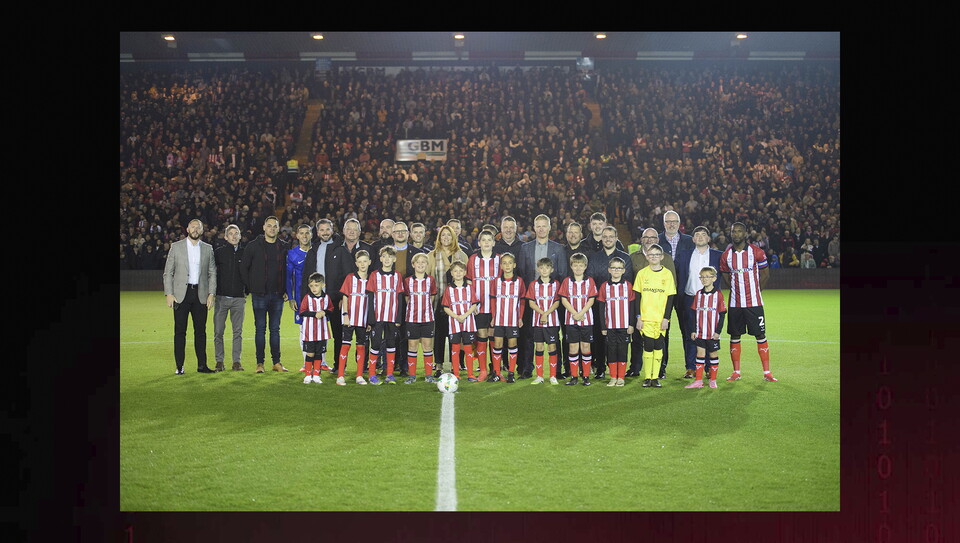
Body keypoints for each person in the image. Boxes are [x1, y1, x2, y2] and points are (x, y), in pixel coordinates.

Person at [719, 222, 778, 382]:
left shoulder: (756, 252)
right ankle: (736, 372)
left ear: (745, 234)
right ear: (730, 234)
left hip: (754, 303)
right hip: (735, 304)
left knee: (760, 334)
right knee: (735, 335)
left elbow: (765, 275)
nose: (736, 234)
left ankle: (767, 373)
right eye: (733, 231)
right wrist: (736, 290)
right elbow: (725, 276)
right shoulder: (726, 256)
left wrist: (757, 292)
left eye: (739, 231)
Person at [163, 218, 217, 374]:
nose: (195, 230)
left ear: (201, 231)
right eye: (193, 227)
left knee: (201, 332)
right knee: (180, 331)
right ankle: (179, 367)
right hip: (181, 296)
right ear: (187, 229)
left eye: (198, 227)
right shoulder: (176, 247)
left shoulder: (208, 249)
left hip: (200, 295)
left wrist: (211, 293)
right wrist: (169, 293)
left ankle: (202, 366)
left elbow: (212, 273)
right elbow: (168, 272)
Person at [517, 214, 569, 378]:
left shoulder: (558, 248)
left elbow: (562, 274)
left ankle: (558, 370)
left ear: (549, 228)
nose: (541, 229)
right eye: (537, 226)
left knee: (556, 336)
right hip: (532, 299)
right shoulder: (525, 248)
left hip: (553, 300)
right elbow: (523, 273)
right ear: (534, 228)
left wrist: (557, 297)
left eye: (543, 226)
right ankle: (527, 368)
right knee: (529, 336)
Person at [239, 215, 290, 373]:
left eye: (275, 226)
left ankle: (276, 362)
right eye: (269, 226)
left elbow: (289, 270)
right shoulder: (253, 246)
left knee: (275, 329)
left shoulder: (284, 246)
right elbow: (244, 268)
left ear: (278, 228)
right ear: (264, 227)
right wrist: (252, 286)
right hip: (259, 294)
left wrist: (288, 289)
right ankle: (259, 363)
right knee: (260, 329)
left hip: (277, 295)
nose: (272, 229)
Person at [628, 228, 677, 378]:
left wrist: (666, 316)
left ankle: (660, 370)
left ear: (658, 239)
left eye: (653, 237)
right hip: (642, 309)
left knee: (661, 340)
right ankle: (635, 368)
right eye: (646, 237)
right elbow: (634, 287)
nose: (649, 240)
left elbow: (672, 285)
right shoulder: (632, 257)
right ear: (641, 239)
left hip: (660, 311)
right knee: (637, 339)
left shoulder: (667, 259)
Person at [674, 226, 722, 379]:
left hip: (711, 301)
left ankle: (708, 368)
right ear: (693, 239)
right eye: (697, 235)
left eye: (703, 235)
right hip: (689, 299)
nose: (700, 237)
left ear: (708, 238)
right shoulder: (683, 255)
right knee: (690, 334)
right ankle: (691, 367)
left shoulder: (718, 256)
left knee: (708, 335)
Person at [586, 225, 633, 380]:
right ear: (601, 238)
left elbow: (628, 282)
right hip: (600, 304)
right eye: (605, 236)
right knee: (600, 337)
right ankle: (600, 367)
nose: (607, 239)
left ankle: (620, 371)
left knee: (620, 340)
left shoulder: (625, 257)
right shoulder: (594, 257)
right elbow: (591, 281)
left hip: (620, 307)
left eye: (611, 236)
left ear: (616, 237)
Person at [300, 219, 344, 372]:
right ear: (317, 233)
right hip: (315, 300)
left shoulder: (340, 249)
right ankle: (314, 366)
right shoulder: (313, 250)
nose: (325, 232)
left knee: (338, 334)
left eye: (327, 229)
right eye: (322, 230)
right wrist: (303, 299)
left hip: (335, 299)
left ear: (332, 230)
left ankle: (339, 366)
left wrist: (344, 297)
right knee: (315, 334)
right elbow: (306, 275)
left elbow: (347, 275)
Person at [427, 225, 469, 377]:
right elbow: (427, 279)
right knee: (438, 335)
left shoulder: (462, 256)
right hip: (438, 303)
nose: (446, 238)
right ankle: (438, 365)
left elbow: (468, 280)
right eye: (443, 235)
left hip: (458, 305)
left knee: (455, 335)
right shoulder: (431, 255)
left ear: (453, 237)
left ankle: (454, 364)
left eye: (448, 235)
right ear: (439, 238)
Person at [366, 245, 405, 383]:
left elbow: (399, 298)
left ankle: (389, 374)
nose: (387, 259)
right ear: (381, 258)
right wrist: (371, 318)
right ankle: (372, 374)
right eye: (384, 256)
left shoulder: (397, 276)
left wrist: (399, 317)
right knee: (375, 344)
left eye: (390, 257)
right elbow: (370, 297)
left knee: (391, 343)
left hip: (392, 317)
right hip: (377, 317)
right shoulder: (374, 275)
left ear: (394, 259)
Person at [684, 266, 727, 389]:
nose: (704, 279)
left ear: (714, 278)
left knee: (713, 354)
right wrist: (693, 330)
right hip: (700, 332)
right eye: (702, 277)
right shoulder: (698, 294)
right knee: (700, 354)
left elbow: (722, 314)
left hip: (712, 332)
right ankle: (698, 381)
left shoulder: (718, 295)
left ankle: (713, 380)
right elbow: (693, 313)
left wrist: (718, 332)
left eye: (707, 277)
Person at [559, 252, 598, 386]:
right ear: (571, 266)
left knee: (586, 346)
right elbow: (564, 299)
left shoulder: (590, 281)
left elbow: (591, 299)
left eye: (580, 265)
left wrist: (581, 313)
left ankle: (586, 376)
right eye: (575, 265)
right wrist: (574, 313)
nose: (578, 268)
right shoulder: (566, 281)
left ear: (585, 266)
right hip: (571, 320)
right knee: (573, 347)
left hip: (586, 319)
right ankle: (574, 376)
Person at [597, 256, 636, 387]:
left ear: (624, 270)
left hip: (624, 325)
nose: (616, 270)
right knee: (611, 351)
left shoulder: (628, 285)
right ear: (609, 270)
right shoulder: (604, 286)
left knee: (623, 350)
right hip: (610, 325)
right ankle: (613, 377)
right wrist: (603, 326)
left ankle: (621, 377)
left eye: (619, 268)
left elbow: (632, 306)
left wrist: (631, 324)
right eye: (613, 268)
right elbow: (601, 307)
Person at [338, 249, 375, 385]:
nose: (362, 264)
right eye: (360, 262)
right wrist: (345, 315)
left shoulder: (372, 279)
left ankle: (359, 375)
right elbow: (345, 297)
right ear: (356, 263)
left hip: (364, 319)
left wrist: (370, 320)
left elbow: (373, 301)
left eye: (365, 261)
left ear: (369, 262)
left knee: (361, 346)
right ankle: (340, 375)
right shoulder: (350, 278)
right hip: (350, 318)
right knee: (346, 345)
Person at [212, 224, 247, 372]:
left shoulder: (245, 253)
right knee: (218, 331)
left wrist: (247, 290)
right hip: (221, 298)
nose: (233, 236)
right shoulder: (219, 253)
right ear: (225, 237)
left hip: (239, 299)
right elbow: (211, 273)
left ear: (240, 236)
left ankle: (236, 362)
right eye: (230, 234)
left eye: (236, 233)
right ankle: (219, 361)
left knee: (237, 332)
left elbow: (250, 273)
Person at [489, 252, 525, 382]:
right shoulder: (496, 282)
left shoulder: (519, 282)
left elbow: (522, 301)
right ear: (501, 266)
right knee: (497, 344)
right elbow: (493, 300)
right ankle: (497, 373)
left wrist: (520, 317)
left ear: (514, 265)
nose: (507, 265)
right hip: (499, 319)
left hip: (513, 320)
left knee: (512, 344)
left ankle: (511, 373)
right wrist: (493, 317)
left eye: (510, 262)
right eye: (504, 263)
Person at [287, 224, 319, 372]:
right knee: (303, 330)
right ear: (297, 235)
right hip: (301, 298)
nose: (305, 236)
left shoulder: (318, 251)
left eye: (307, 233)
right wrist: (291, 298)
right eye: (301, 233)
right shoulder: (292, 254)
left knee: (320, 328)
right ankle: (306, 363)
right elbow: (289, 278)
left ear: (312, 235)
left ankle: (321, 362)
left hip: (319, 297)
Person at [524, 257, 561, 385]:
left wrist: (547, 314)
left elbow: (557, 302)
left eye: (547, 267)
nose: (544, 270)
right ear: (538, 269)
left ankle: (552, 376)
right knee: (539, 346)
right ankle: (539, 376)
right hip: (537, 321)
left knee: (552, 347)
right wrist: (542, 314)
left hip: (552, 322)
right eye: (541, 267)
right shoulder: (533, 285)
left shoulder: (556, 284)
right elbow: (531, 302)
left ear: (551, 269)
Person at [403, 252, 438, 383]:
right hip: (412, 319)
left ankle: (429, 375)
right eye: (418, 262)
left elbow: (432, 297)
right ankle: (412, 375)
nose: (421, 264)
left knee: (427, 346)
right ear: (413, 264)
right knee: (412, 346)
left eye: (423, 262)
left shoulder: (431, 280)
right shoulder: (407, 281)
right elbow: (407, 298)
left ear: (427, 265)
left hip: (427, 319)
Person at [441, 260, 479, 381]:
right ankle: (456, 373)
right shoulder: (448, 289)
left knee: (468, 347)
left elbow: (474, 304)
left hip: (468, 322)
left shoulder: (469, 288)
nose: (458, 273)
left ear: (465, 272)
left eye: (460, 271)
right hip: (454, 323)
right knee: (455, 348)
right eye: (455, 271)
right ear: (451, 273)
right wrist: (457, 317)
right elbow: (446, 307)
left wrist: (465, 315)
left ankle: (470, 374)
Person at [298, 273, 333, 384]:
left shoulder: (326, 297)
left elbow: (331, 309)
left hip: (321, 332)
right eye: (311, 285)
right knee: (310, 353)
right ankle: (308, 374)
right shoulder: (307, 298)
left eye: (316, 285)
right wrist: (314, 314)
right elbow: (302, 311)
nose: (314, 288)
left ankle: (316, 374)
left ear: (323, 285)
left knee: (318, 354)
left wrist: (324, 312)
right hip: (309, 332)